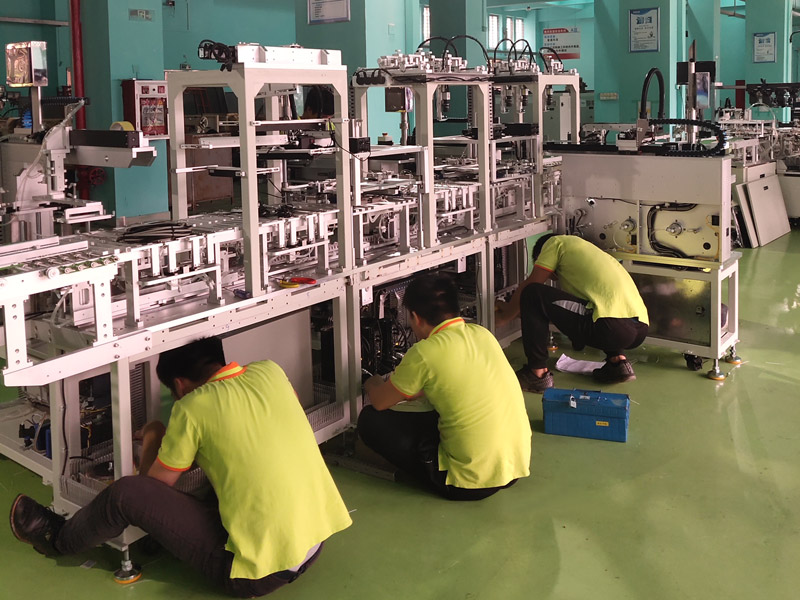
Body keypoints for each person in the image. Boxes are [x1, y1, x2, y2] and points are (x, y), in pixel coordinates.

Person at [9, 336, 352, 598]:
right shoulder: (270, 371)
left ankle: (57, 538)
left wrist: (155, 433)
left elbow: (150, 489)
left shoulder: (192, 408)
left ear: (180, 385)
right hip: (313, 543)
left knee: (125, 494)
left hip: (258, 574)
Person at [357, 274, 531, 501]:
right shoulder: (482, 334)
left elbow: (380, 402)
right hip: (513, 468)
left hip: (469, 484)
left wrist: (372, 381)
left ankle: (442, 470)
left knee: (370, 420)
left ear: (415, 317)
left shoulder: (425, 352)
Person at [496, 234, 650, 393]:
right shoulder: (588, 252)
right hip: (639, 329)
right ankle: (618, 363)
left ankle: (537, 374)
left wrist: (504, 316)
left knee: (532, 293)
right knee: (601, 312)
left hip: (611, 328)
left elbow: (532, 284)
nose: (553, 277)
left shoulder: (555, 243)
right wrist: (522, 311)